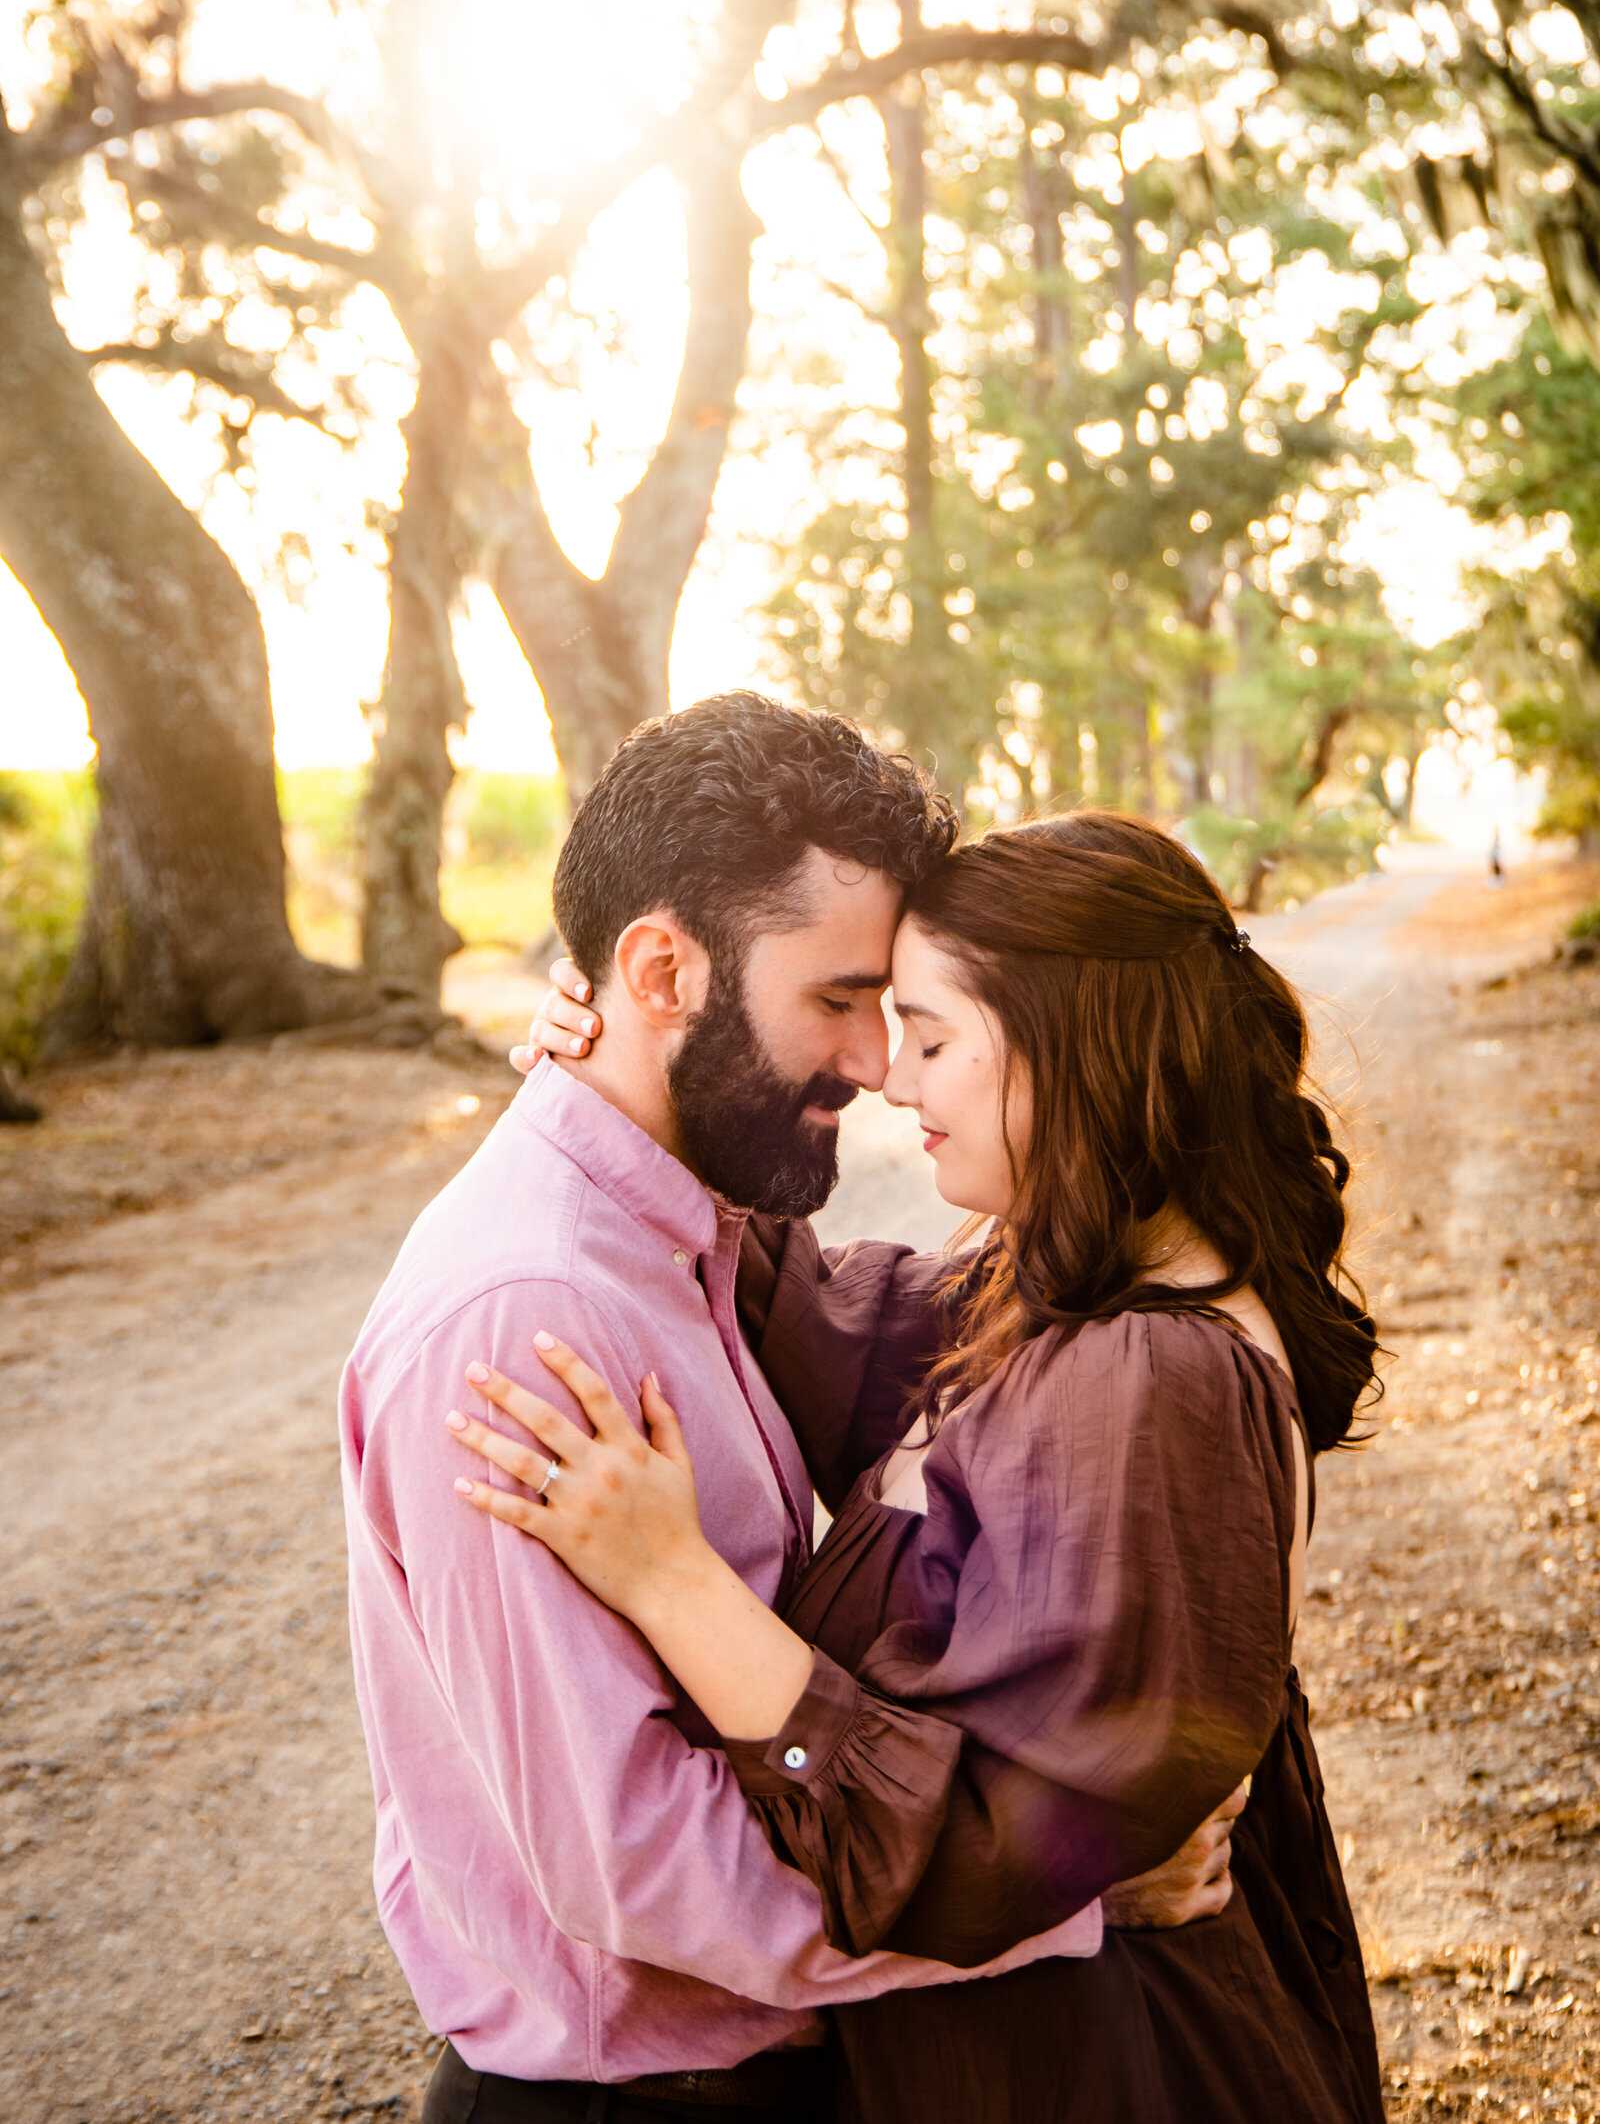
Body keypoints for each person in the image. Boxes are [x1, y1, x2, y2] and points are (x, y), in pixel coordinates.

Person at [340, 697, 1227, 2124]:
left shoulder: (688, 1229)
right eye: (837, 997)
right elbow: (636, 1858)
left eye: (895, 1005)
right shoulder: (523, 1316)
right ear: (661, 966)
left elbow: (933, 1330)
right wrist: (1063, 1897)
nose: (879, 1062)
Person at [461, 808, 1386, 2124]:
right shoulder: (1067, 1288)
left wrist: (677, 1583)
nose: (895, 1079)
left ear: (1073, 1050)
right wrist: (645, 1080)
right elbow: (847, 1332)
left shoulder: (1158, 1383)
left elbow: (978, 1850)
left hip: (1114, 2072)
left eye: (934, 1036)